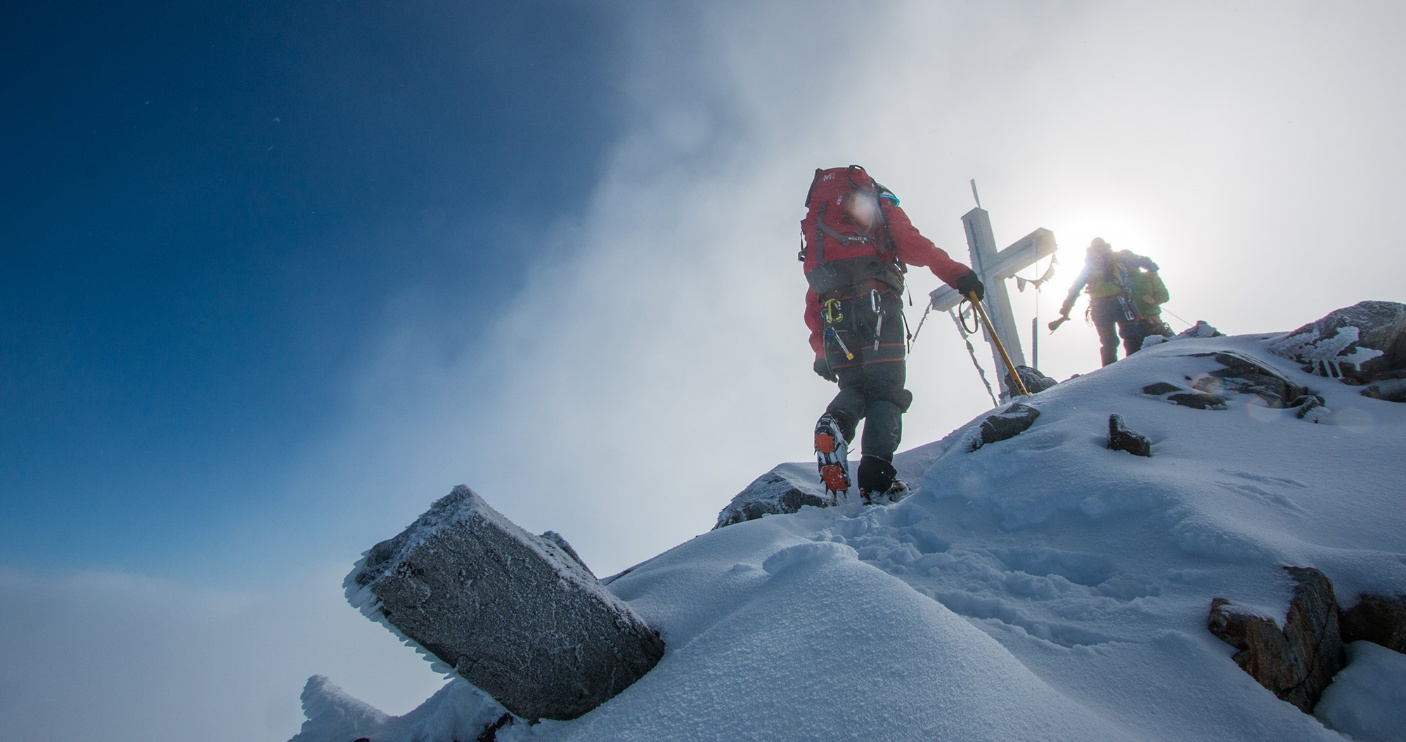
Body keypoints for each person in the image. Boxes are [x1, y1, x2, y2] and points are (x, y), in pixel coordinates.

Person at [800, 165, 983, 503]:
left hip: (835, 318)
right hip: (877, 308)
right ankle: (877, 482)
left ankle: (834, 424)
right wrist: (958, 275)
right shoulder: (880, 204)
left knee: (855, 388)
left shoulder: (823, 230)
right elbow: (913, 245)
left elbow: (814, 293)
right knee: (885, 392)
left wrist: (820, 350)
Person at [1048, 237, 1165, 366]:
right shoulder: (1117, 257)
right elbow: (1144, 262)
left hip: (1099, 308)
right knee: (1130, 335)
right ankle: (1136, 365)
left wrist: (1065, 310)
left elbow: (1075, 289)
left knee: (1108, 342)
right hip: (1121, 303)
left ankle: (1109, 370)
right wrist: (1152, 269)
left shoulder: (1088, 267)